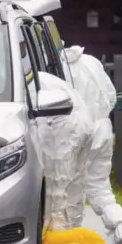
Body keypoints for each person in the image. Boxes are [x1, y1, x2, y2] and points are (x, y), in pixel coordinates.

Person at [63, 45, 122, 244]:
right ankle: (120, 226)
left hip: (75, 133)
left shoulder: (58, 69)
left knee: (71, 190)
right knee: (100, 186)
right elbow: (110, 95)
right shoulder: (91, 61)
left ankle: (70, 242)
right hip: (102, 130)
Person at [32, 71, 94, 232]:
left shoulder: (34, 85)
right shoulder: (43, 79)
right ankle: (72, 240)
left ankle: (57, 241)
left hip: (65, 125)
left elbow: (55, 179)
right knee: (74, 188)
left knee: (57, 191)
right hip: (82, 122)